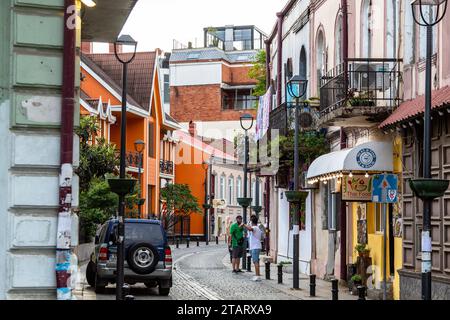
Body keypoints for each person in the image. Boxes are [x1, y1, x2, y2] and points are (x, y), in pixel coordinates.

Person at [244, 215, 263, 281]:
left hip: (255, 247)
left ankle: (257, 276)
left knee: (255, 262)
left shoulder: (255, 228)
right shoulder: (256, 228)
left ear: (252, 222)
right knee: (255, 261)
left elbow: (250, 229)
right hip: (254, 247)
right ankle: (257, 274)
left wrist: (244, 224)